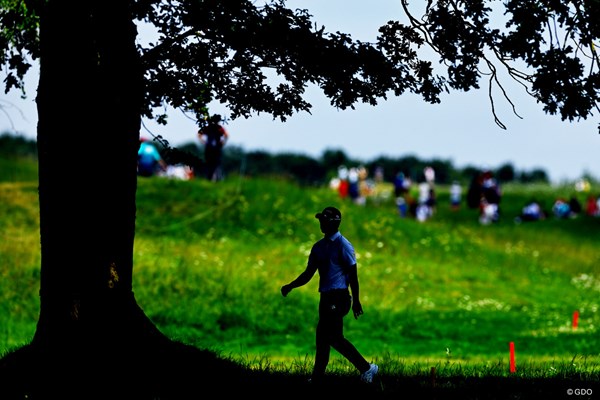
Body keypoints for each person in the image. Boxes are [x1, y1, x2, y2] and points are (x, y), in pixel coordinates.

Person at [281, 206, 379, 384]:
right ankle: (318, 377)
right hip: (325, 298)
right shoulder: (318, 247)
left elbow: (353, 276)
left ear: (334, 223)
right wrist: (291, 285)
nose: (321, 224)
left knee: (333, 337)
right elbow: (308, 273)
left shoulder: (344, 245)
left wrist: (356, 300)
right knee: (322, 338)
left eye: (324, 221)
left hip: (340, 297)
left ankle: (367, 368)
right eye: (320, 220)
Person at [198, 114, 229, 181]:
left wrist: (203, 142)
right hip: (214, 148)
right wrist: (222, 143)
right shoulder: (218, 128)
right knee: (214, 163)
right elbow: (226, 135)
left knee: (211, 163)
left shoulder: (210, 127)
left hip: (211, 148)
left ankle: (212, 178)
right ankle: (214, 178)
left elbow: (199, 134)